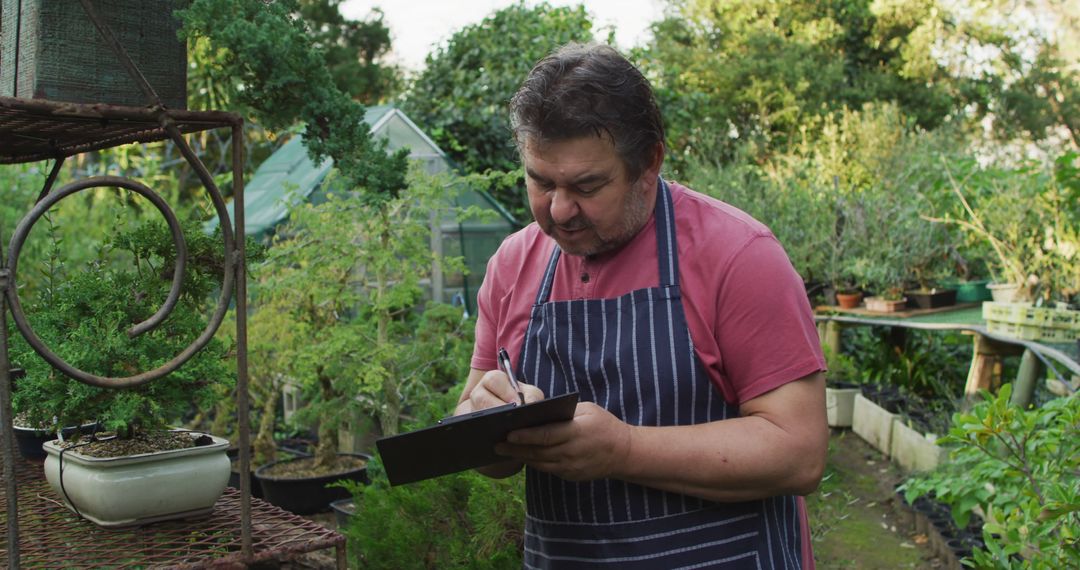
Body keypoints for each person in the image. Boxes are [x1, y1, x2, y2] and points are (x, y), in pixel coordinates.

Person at [455, 42, 828, 569]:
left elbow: (799, 452)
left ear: (649, 163)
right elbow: (479, 439)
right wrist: (481, 419)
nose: (560, 210)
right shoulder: (512, 265)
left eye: (587, 185)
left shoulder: (738, 256)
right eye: (541, 181)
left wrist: (624, 449)